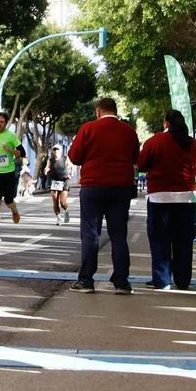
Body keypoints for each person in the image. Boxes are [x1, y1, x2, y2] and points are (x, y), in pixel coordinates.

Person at [67, 97, 141, 294]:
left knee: (90, 234)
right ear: (116, 111)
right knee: (119, 235)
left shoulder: (88, 129)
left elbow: (74, 156)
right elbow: (137, 158)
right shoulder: (129, 131)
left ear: (98, 112)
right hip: (120, 188)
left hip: (93, 187)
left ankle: (86, 280)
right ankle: (121, 282)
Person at [138, 110, 196, 290]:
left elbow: (141, 164)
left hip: (159, 197)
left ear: (166, 123)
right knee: (184, 240)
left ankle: (162, 280)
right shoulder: (191, 143)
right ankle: (182, 281)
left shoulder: (155, 141)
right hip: (187, 198)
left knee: (159, 240)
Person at [0, 112, 23, 242]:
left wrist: (10, 150)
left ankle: (14, 210)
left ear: (6, 123)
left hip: (8, 173)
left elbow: (21, 153)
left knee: (8, 201)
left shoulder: (11, 137)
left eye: (1, 122)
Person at [40, 145, 71, 222]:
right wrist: (46, 170)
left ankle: (66, 210)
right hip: (54, 182)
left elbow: (71, 167)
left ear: (61, 151)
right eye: (54, 149)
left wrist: (70, 174)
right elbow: (47, 167)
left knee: (62, 202)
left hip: (64, 181)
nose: (56, 151)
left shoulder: (65, 159)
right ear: (52, 151)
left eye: (57, 149)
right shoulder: (50, 160)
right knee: (55, 201)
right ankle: (58, 217)